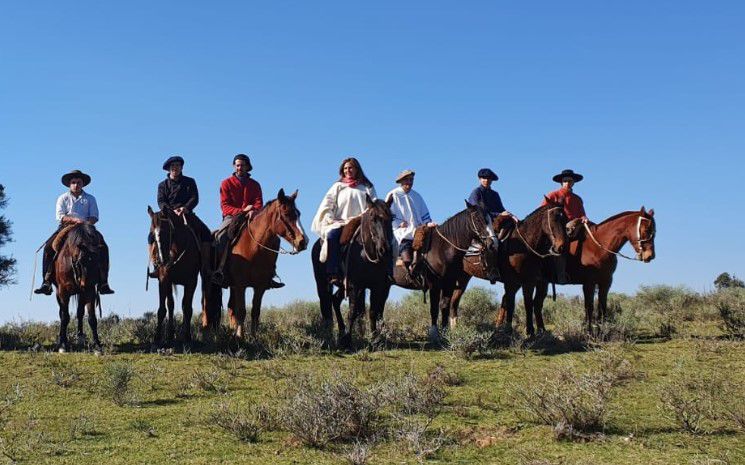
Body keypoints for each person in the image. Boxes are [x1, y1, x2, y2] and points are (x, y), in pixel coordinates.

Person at [34, 170, 114, 295]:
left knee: (103, 247)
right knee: (49, 247)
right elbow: (60, 216)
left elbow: (94, 217)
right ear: (69, 184)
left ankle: (104, 282)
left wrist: (85, 224)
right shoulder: (62, 198)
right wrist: (74, 220)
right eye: (73, 182)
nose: (76, 185)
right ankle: (47, 281)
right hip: (67, 227)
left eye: (78, 182)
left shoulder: (90, 198)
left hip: (86, 228)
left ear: (83, 184)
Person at [212, 154, 283, 288]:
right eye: (237, 165)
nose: (240, 168)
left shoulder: (255, 184)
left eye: (242, 165)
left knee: (275, 239)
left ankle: (270, 273)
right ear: (234, 166)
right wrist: (243, 210)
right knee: (220, 237)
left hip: (252, 217)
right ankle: (220, 270)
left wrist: (254, 211)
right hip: (231, 217)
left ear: (248, 167)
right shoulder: (226, 183)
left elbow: (258, 202)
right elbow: (225, 205)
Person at [311, 157, 377, 286]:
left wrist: (364, 216)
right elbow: (327, 204)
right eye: (345, 168)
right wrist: (329, 217)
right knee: (332, 235)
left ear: (357, 169)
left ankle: (385, 271)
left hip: (362, 222)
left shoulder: (367, 187)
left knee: (382, 238)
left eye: (350, 168)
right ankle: (333, 271)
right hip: (341, 222)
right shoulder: (338, 186)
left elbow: (373, 204)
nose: (348, 170)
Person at [148, 156, 212, 277]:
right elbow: (161, 201)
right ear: (168, 169)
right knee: (151, 236)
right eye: (172, 166)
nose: (175, 168)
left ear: (181, 167)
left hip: (186, 214)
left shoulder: (190, 182)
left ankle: (205, 265)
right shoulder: (162, 185)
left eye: (177, 165)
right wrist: (170, 210)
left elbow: (195, 198)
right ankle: (156, 265)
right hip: (168, 216)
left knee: (206, 233)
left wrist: (185, 208)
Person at [541, 168, 589, 284]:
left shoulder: (577, 199)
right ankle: (561, 274)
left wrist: (584, 218)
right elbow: (542, 211)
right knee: (561, 243)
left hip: (576, 225)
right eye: (566, 181)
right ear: (561, 182)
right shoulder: (553, 195)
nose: (568, 183)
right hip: (559, 226)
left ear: (573, 183)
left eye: (570, 181)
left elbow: (582, 214)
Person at [467, 168, 514, 281]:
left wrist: (508, 215)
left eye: (488, 179)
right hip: (483, 224)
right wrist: (499, 214)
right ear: (479, 179)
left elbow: (501, 209)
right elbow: (477, 212)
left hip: (497, 221)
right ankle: (492, 270)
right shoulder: (476, 192)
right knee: (492, 242)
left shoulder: (495, 194)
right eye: (484, 178)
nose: (486, 180)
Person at [385, 170, 434, 272]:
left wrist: (428, 223)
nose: (409, 182)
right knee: (405, 240)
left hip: (418, 228)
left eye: (411, 180)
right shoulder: (393, 194)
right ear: (401, 181)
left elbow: (424, 214)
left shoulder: (417, 196)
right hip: (402, 230)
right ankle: (406, 264)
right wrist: (398, 224)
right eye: (407, 179)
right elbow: (387, 214)